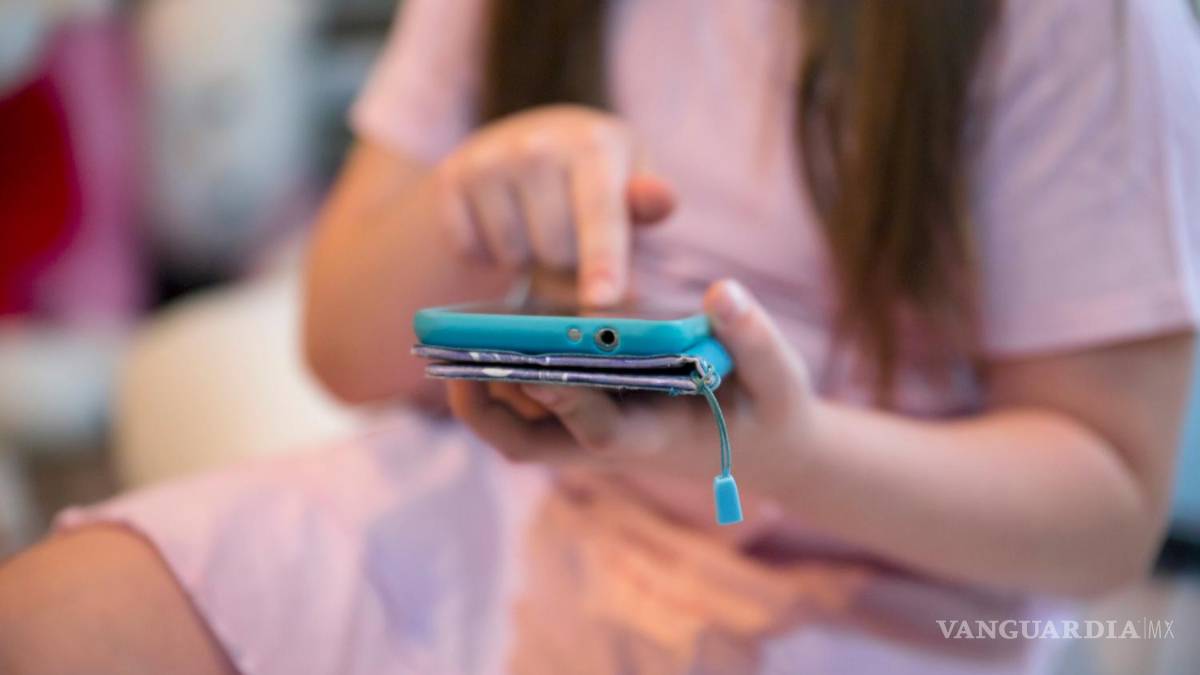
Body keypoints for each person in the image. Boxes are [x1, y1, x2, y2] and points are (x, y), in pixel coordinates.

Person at [2, 0, 1199, 672]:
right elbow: (345, 348)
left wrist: (781, 449)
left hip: (885, 598)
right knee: (58, 623)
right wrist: (467, 202)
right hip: (513, 505)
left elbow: (1105, 513)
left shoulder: (1083, 27)